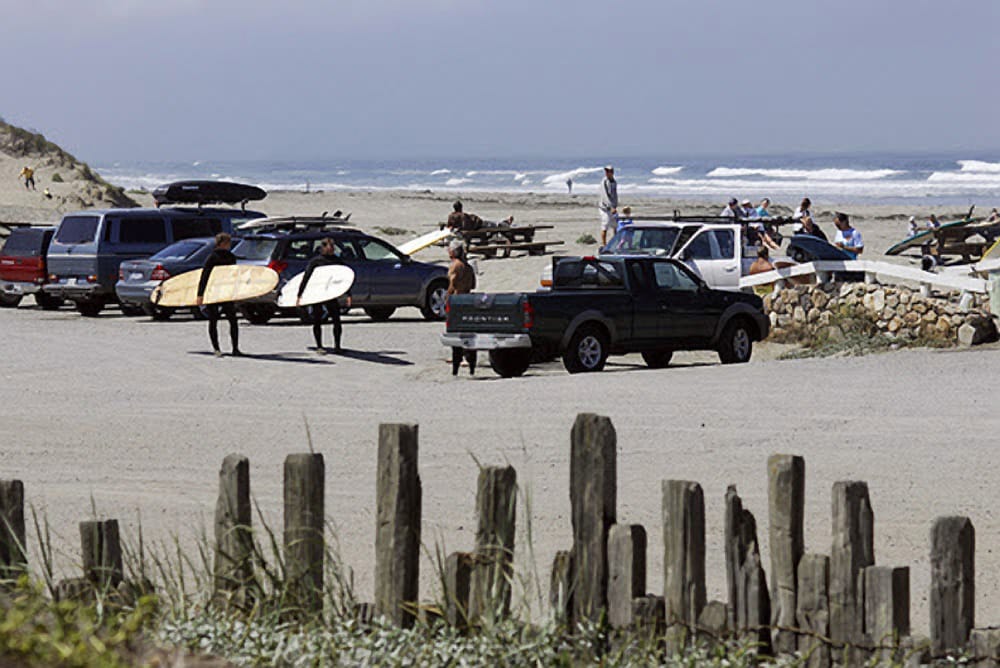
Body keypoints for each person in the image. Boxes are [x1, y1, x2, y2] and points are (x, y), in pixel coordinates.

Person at [296, 238, 352, 354]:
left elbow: (344, 278)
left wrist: (348, 294)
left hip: (331, 294)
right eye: (330, 247)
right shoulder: (316, 262)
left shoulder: (337, 261)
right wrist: (299, 295)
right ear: (323, 248)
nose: (332, 250)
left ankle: (337, 346)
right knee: (317, 319)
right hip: (318, 294)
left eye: (333, 247)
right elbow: (306, 278)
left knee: (336, 319)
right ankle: (319, 346)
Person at [196, 232, 241, 357]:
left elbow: (233, 275)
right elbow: (204, 276)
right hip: (214, 292)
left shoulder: (231, 257)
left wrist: (236, 292)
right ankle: (216, 348)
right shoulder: (212, 257)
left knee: (233, 320)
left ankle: (235, 348)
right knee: (213, 320)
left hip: (227, 292)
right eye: (228, 242)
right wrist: (200, 294)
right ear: (222, 243)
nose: (230, 245)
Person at [446, 240, 477, 375]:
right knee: (469, 333)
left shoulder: (455, 266)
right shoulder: (468, 267)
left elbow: (452, 283)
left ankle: (456, 364)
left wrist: (448, 296)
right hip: (468, 300)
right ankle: (471, 364)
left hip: (457, 301)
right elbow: (473, 285)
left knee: (456, 333)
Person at [598, 165, 618, 246]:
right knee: (605, 224)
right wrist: (611, 207)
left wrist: (615, 205)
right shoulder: (604, 182)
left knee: (615, 225)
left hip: (612, 207)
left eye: (608, 171)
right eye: (606, 171)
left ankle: (616, 243)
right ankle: (604, 244)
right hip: (605, 208)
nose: (607, 173)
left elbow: (615, 194)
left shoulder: (613, 181)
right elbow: (605, 195)